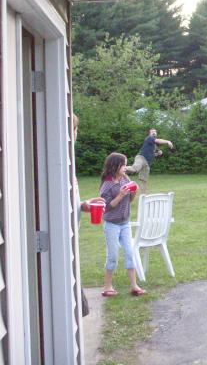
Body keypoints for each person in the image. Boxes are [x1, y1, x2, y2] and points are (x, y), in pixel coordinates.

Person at [100, 152, 146, 297]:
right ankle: (107, 286)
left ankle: (134, 285)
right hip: (111, 224)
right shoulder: (107, 185)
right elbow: (107, 207)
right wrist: (120, 195)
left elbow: (129, 200)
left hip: (125, 223)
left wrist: (134, 192)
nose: (126, 167)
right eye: (123, 165)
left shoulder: (125, 178)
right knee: (113, 255)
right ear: (114, 166)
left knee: (130, 253)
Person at [72, 114, 105, 316]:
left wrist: (83, 205)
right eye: (75, 129)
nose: (76, 134)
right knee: (77, 304)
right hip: (64, 243)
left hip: (72, 238)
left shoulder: (67, 160)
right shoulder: (58, 159)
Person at [125, 128, 173, 194]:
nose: (154, 132)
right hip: (141, 158)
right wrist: (168, 141)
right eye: (152, 132)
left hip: (147, 163)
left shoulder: (154, 145)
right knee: (135, 169)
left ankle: (143, 196)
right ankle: (121, 168)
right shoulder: (149, 138)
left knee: (144, 181)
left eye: (155, 132)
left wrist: (158, 154)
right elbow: (158, 140)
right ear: (149, 134)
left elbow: (152, 154)